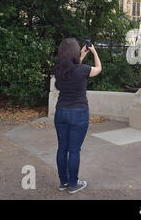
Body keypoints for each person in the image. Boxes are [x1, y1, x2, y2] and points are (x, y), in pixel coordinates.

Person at [53, 38, 102, 194]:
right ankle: (74, 184)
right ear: (74, 52)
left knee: (62, 149)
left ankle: (64, 182)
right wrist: (94, 52)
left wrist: (81, 56)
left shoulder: (59, 70)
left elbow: (73, 68)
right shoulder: (83, 70)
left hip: (60, 112)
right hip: (78, 114)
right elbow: (99, 68)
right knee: (74, 150)